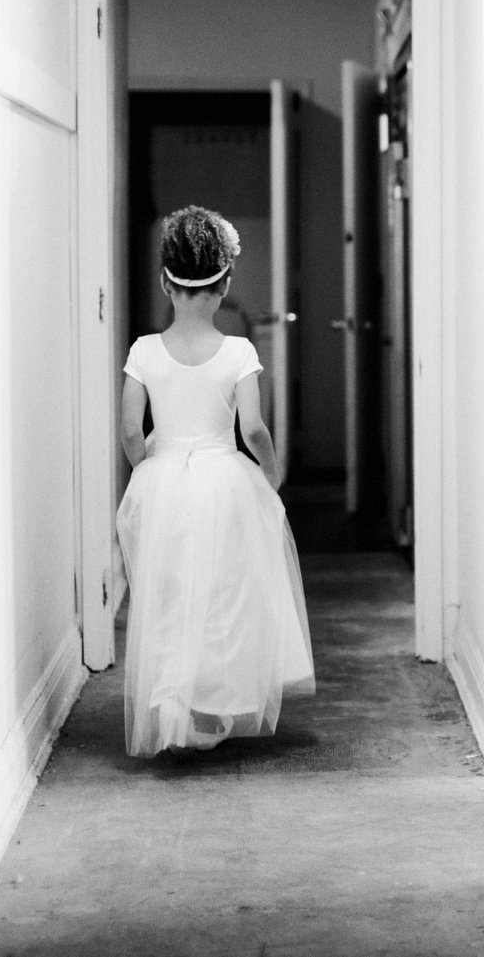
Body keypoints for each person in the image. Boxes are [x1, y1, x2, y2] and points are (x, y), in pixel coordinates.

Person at [115, 205, 316, 756]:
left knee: (172, 590)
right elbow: (253, 428)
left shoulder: (144, 351)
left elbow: (132, 431)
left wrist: (150, 469)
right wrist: (269, 480)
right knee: (226, 592)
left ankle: (173, 698)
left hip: (164, 480)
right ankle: (213, 701)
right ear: (225, 283)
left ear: (165, 281)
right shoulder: (239, 351)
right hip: (224, 481)